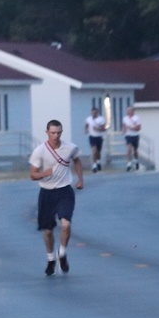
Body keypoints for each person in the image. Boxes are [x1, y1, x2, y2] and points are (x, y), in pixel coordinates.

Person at [30, 119, 84, 276]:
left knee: (65, 225)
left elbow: (77, 160)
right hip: (46, 193)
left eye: (59, 133)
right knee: (47, 231)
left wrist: (80, 179)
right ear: (47, 133)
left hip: (64, 191)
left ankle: (62, 253)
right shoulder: (40, 151)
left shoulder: (70, 147)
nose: (56, 136)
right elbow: (32, 174)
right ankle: (50, 258)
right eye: (53, 133)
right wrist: (43, 174)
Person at [84, 106, 107, 173]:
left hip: (99, 137)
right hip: (92, 137)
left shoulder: (101, 119)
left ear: (97, 113)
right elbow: (87, 125)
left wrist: (98, 129)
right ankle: (94, 165)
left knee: (98, 152)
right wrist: (86, 130)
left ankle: (98, 161)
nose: (94, 114)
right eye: (93, 113)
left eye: (95, 113)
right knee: (94, 150)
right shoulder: (88, 119)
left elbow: (104, 129)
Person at [122, 106, 142, 171]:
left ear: (133, 111)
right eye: (128, 110)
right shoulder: (125, 118)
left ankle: (136, 161)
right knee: (129, 149)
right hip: (128, 135)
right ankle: (129, 163)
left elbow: (139, 128)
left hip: (135, 135)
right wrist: (124, 130)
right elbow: (124, 126)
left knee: (135, 150)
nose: (129, 112)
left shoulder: (137, 118)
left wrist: (132, 128)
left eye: (131, 110)